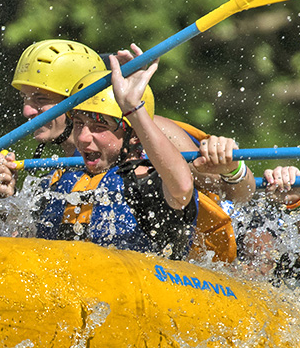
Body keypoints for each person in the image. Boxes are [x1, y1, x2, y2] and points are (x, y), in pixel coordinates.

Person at [0, 39, 253, 208]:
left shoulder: (153, 131)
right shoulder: (59, 168)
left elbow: (235, 196)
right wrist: (7, 199)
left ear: (79, 97)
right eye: (25, 98)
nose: (27, 110)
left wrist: (232, 169)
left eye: (41, 99)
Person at [31, 46, 198, 258]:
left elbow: (182, 187)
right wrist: (4, 198)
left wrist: (132, 108)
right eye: (79, 123)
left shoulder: (150, 185)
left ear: (134, 135)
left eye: (99, 127)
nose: (83, 138)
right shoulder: (56, 183)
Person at [233, 165, 300, 283]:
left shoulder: (283, 261)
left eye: (266, 261)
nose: (253, 268)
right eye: (247, 258)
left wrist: (297, 202)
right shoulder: (229, 239)